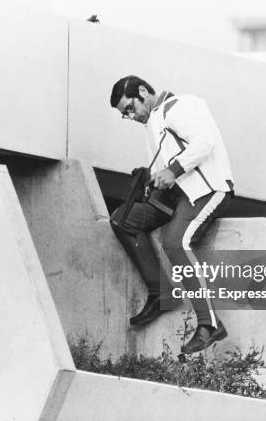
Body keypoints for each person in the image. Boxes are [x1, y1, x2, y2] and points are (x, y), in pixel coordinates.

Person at [109, 75, 235, 354]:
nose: (130, 116)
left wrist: (172, 171)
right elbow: (165, 171)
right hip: (178, 198)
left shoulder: (180, 105)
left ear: (142, 91)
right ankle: (161, 293)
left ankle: (210, 324)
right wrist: (150, 176)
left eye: (129, 108)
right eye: (124, 115)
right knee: (122, 220)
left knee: (175, 242)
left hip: (208, 189)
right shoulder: (152, 124)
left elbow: (204, 142)